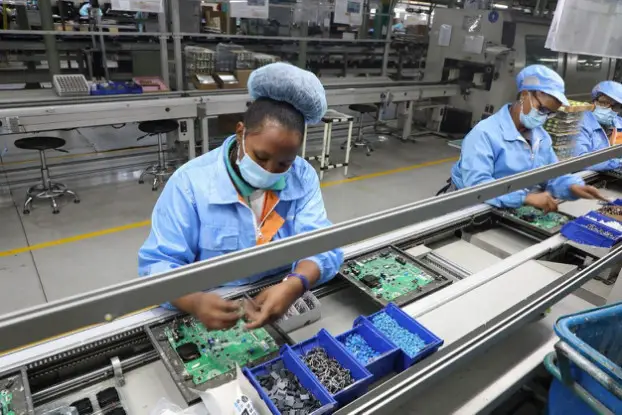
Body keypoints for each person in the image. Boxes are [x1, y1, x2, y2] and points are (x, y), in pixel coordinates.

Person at [138, 62, 343, 330]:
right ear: (240, 132)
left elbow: (321, 244)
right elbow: (158, 265)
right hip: (214, 305)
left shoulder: (302, 176)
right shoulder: (191, 184)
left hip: (278, 292)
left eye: (284, 163)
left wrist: (296, 284)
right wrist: (195, 302)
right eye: (260, 156)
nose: (269, 171)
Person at [446, 64, 605, 212]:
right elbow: (477, 186)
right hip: (469, 208)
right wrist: (525, 197)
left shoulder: (540, 137)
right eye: (542, 109)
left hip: (506, 206)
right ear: (524, 95)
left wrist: (572, 187)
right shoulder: (485, 133)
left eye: (550, 113)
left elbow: (551, 174)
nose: (545, 117)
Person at [574, 80, 622, 171]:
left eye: (615, 106)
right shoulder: (580, 124)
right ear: (593, 101)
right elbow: (580, 161)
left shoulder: (618, 123)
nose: (608, 109)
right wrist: (617, 163)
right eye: (603, 103)